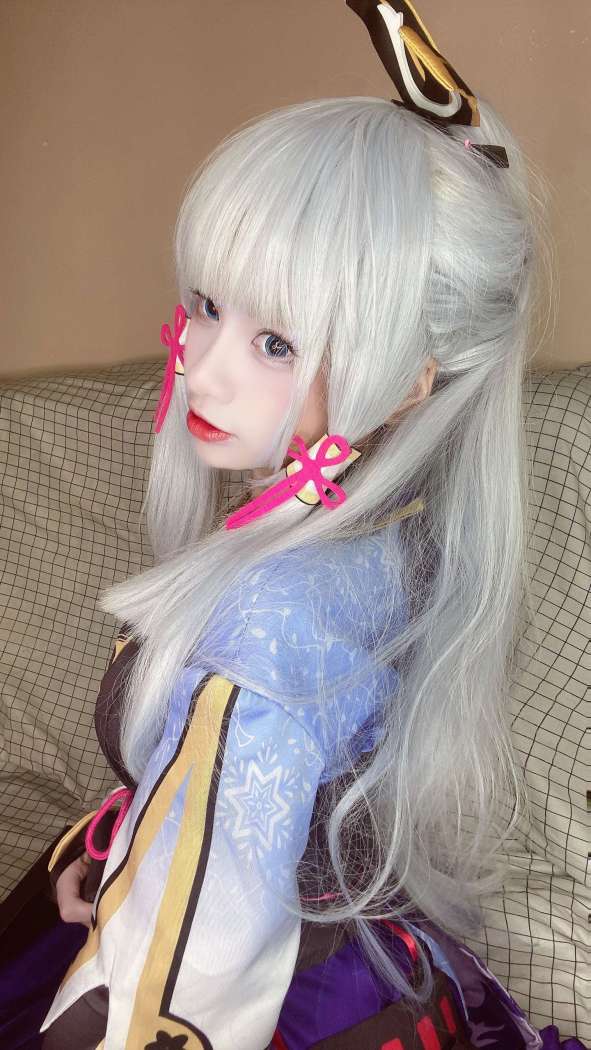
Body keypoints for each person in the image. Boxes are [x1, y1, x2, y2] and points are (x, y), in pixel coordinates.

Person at [34, 1, 586, 1047]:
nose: (203, 368)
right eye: (207, 305)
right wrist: (124, 850)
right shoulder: (392, 524)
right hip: (353, 941)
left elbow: (185, 973)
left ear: (409, 381)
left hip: (267, 988)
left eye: (278, 342)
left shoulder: (269, 619)